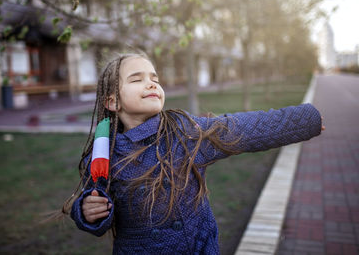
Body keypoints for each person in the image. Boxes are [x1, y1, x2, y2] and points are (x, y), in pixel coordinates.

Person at [62, 52, 324, 254]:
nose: (152, 84)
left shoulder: (185, 133)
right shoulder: (104, 155)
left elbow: (242, 129)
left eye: (155, 78)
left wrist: (304, 120)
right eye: (137, 79)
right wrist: (86, 211)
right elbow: (90, 200)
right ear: (112, 102)